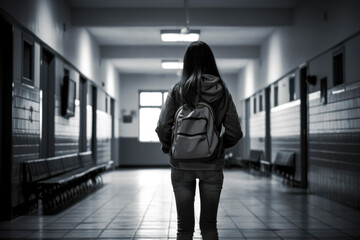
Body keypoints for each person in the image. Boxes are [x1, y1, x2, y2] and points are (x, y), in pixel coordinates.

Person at [156, 41, 243, 240]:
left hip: (181, 164)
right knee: (209, 225)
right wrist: (216, 146)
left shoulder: (178, 90)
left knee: (184, 228)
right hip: (211, 164)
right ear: (210, 62)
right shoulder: (221, 91)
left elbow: (162, 127)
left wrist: (171, 146)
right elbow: (235, 132)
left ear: (186, 63)